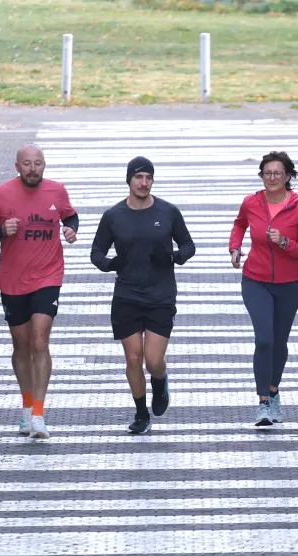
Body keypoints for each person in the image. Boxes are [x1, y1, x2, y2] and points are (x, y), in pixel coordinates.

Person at [0, 144, 79, 439]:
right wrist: (0, 230)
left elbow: (70, 216)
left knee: (39, 341)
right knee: (21, 345)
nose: (33, 169)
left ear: (44, 166)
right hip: (12, 280)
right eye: (27, 164)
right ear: (17, 166)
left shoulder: (57, 191)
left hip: (48, 275)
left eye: (38, 163)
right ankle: (25, 406)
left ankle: (39, 414)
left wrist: (71, 229)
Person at [90, 157, 196, 434]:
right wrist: (110, 264)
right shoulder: (113, 216)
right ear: (129, 180)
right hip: (127, 296)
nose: (144, 183)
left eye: (148, 177)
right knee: (133, 359)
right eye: (138, 177)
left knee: (152, 360)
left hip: (161, 296)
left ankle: (160, 384)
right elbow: (96, 253)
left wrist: (174, 257)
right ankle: (141, 414)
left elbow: (188, 245)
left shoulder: (168, 212)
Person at [228, 151, 298, 427]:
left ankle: (274, 390)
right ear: (262, 176)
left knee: (279, 342)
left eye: (278, 173)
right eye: (267, 173)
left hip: (289, 285)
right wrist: (235, 247)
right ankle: (263, 402)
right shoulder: (251, 202)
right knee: (264, 339)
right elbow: (239, 224)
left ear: (288, 176)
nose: (272, 178)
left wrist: (285, 242)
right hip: (256, 280)